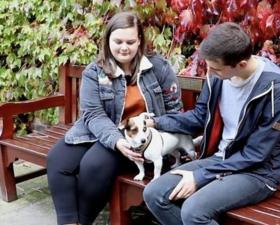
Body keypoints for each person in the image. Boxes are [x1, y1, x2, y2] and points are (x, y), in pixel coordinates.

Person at [143, 22, 280, 225]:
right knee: (154, 194)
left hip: (258, 172)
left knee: (193, 212)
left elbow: (256, 154)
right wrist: (156, 122)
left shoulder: (276, 90)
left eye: (215, 69)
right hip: (221, 159)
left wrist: (200, 177)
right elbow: (199, 117)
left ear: (240, 64)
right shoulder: (218, 75)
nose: (210, 73)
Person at [46, 11, 182, 225]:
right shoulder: (95, 72)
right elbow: (93, 114)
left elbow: (175, 111)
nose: (124, 47)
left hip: (141, 138)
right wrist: (116, 140)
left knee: (93, 165)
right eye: (118, 41)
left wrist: (154, 128)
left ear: (140, 41)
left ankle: (83, 220)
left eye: (130, 41)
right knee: (57, 160)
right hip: (102, 130)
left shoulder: (159, 68)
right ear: (108, 40)